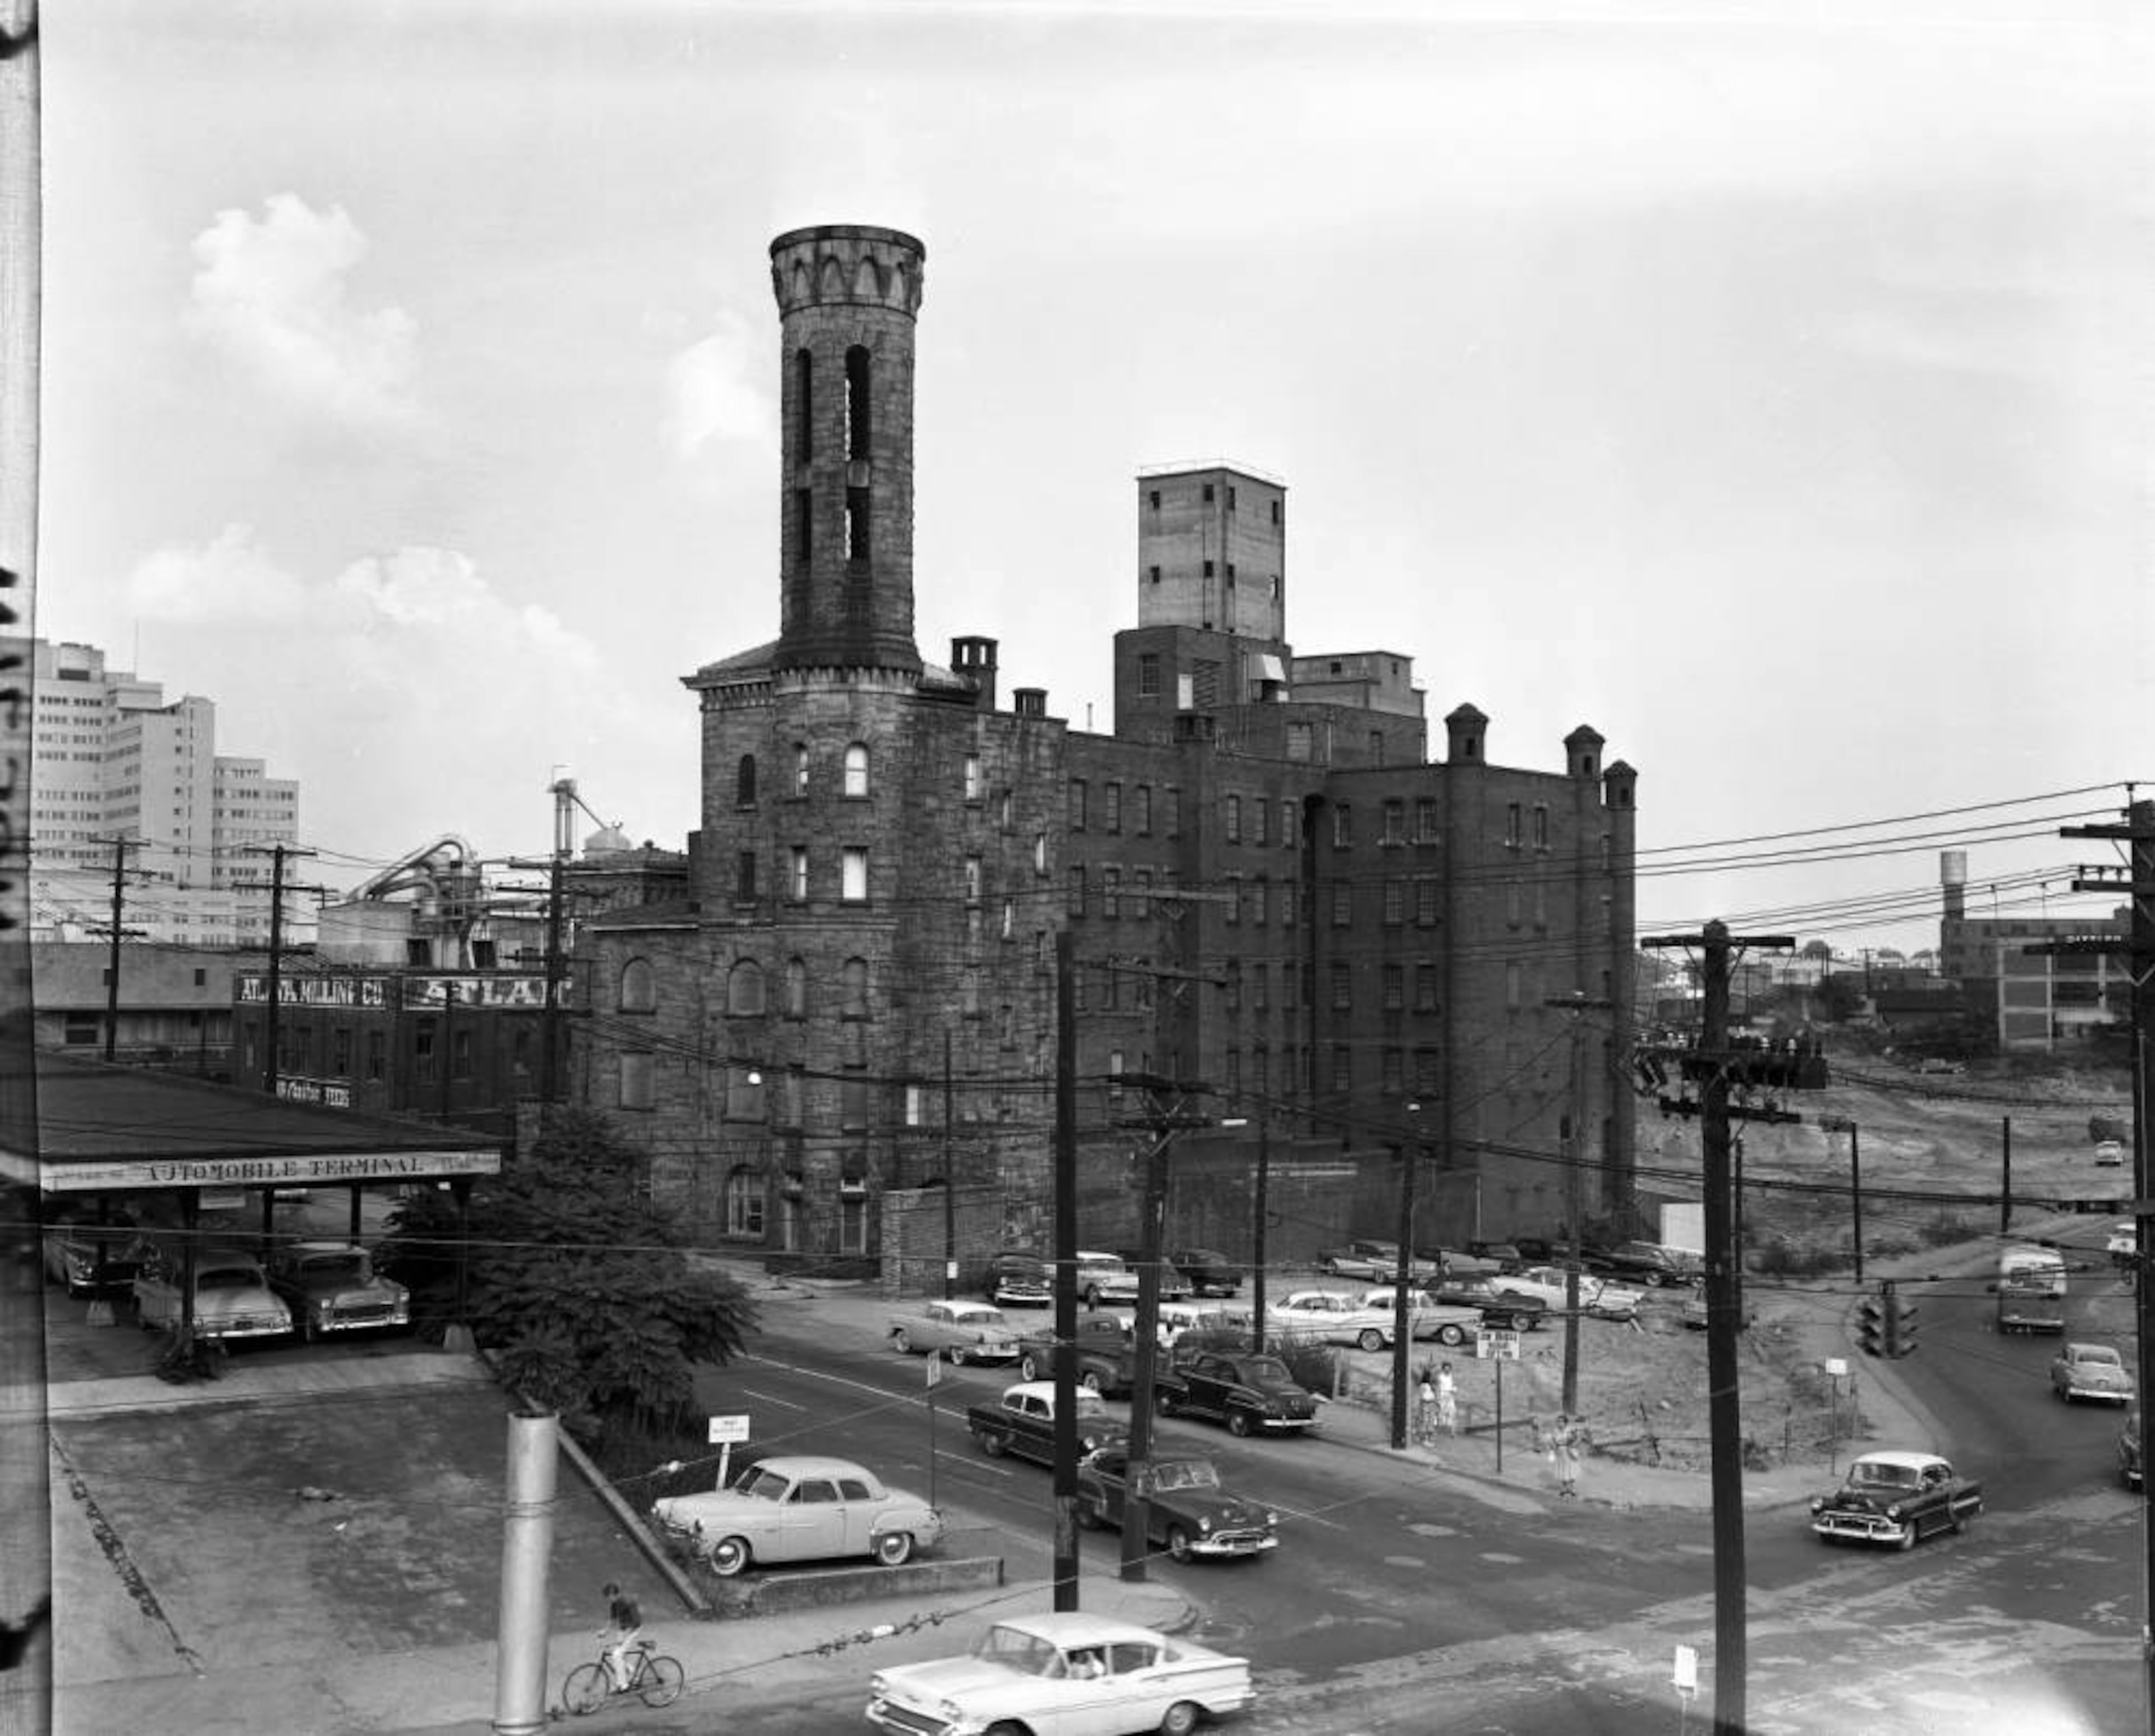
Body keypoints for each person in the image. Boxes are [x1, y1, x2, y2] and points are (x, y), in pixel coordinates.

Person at [599, 1581, 644, 1692]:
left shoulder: (627, 1602)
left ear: (613, 1594)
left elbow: (636, 1622)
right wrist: (605, 1631)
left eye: (609, 1597)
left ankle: (624, 1685)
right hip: (624, 1629)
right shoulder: (614, 1604)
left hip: (634, 1630)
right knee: (618, 1655)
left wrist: (624, 1636)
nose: (608, 1600)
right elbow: (612, 1619)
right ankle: (635, 1675)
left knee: (617, 1655)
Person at [1436, 1361, 1459, 1436]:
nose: (1447, 1371)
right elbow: (1438, 1387)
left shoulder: (1451, 1376)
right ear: (1443, 1369)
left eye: (1449, 1369)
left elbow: (1454, 1385)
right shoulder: (1440, 1377)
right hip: (1443, 1396)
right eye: (1446, 1369)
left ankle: (1453, 1433)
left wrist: (1454, 1390)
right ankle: (1437, 1431)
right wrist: (1438, 1398)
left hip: (1450, 1396)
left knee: (1453, 1414)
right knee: (1440, 1414)